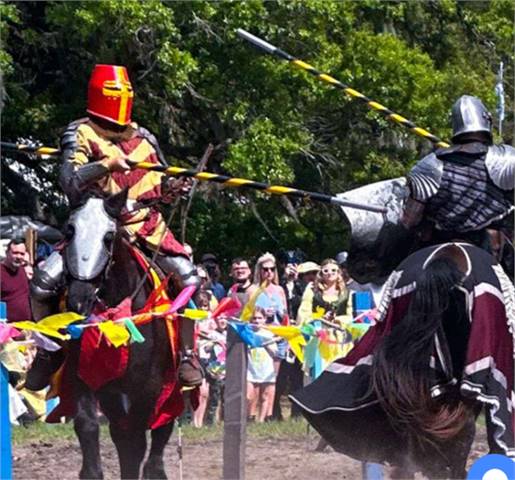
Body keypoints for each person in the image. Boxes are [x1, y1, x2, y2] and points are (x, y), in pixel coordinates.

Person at [27, 64, 202, 391]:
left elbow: (156, 182)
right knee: (42, 283)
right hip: (97, 225)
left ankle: (189, 354)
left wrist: (174, 186)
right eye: (113, 94)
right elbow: (69, 182)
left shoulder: (143, 137)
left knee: (188, 276)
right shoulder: (80, 132)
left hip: (144, 226)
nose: (119, 101)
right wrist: (105, 165)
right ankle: (48, 350)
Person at [400, 95, 514, 269]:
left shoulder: (430, 165)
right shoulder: (506, 159)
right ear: (486, 121)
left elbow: (409, 220)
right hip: (486, 244)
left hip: (436, 244)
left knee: (401, 272)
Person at [247, 307, 277, 423]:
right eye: (254, 318)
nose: (257, 321)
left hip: (265, 368)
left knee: (264, 395)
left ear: (264, 319)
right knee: (250, 395)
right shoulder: (248, 333)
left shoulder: (268, 334)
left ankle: (261, 420)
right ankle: (250, 416)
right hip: (251, 368)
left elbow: (275, 352)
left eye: (259, 318)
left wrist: (265, 344)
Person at [0, 240, 31, 323]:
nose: (19, 256)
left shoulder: (21, 270)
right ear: (7, 253)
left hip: (26, 326)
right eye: (15, 253)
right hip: (8, 329)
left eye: (22, 254)